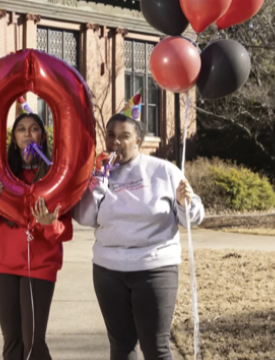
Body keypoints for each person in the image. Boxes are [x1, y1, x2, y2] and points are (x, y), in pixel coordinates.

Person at [72, 113, 205, 360]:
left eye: (124, 136)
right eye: (111, 135)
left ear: (138, 141)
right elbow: (85, 217)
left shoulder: (164, 171)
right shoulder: (100, 173)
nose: (115, 142)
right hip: (108, 270)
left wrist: (183, 202)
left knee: (155, 346)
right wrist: (98, 181)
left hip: (155, 269)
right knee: (121, 347)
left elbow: (192, 219)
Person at [0, 112, 72, 360]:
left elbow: (65, 230)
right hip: (1, 264)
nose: (28, 133)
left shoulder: (56, 177)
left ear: (43, 136)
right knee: (12, 342)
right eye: (21, 129)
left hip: (39, 264)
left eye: (34, 128)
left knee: (34, 343)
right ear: (13, 139)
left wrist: (50, 224)